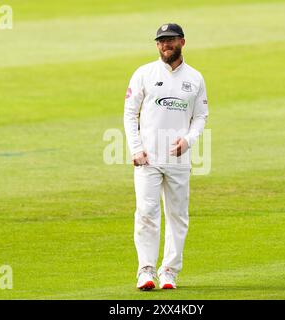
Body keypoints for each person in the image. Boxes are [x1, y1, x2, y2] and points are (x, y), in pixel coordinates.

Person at [123, 23, 209, 290]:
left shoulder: (195, 78)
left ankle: (169, 272)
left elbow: (200, 116)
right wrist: (136, 149)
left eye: (170, 40)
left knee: (177, 216)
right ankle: (146, 271)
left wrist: (188, 140)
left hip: (178, 159)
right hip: (147, 157)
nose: (165, 45)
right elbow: (129, 113)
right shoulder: (144, 74)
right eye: (161, 41)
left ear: (182, 42)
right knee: (146, 213)